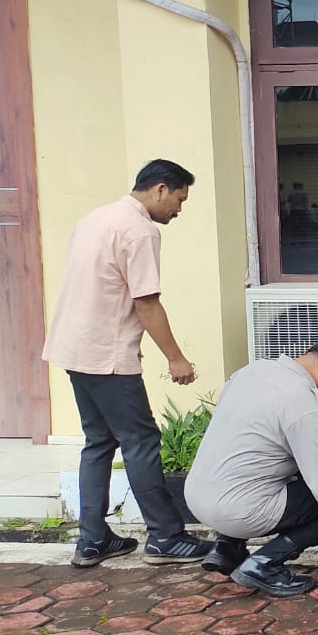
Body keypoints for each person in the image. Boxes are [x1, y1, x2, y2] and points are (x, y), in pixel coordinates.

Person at [42, 159, 214, 568]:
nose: (179, 209)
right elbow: (146, 302)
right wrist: (176, 358)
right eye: (179, 199)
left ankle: (92, 539)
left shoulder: (94, 219)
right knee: (141, 441)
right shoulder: (140, 230)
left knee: (99, 442)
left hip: (73, 348)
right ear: (160, 189)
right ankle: (166, 537)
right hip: (106, 355)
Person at [184, 332, 318, 596]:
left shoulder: (252, 371)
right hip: (239, 510)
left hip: (197, 497)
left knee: (264, 463)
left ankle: (227, 548)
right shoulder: (304, 402)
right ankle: (263, 564)